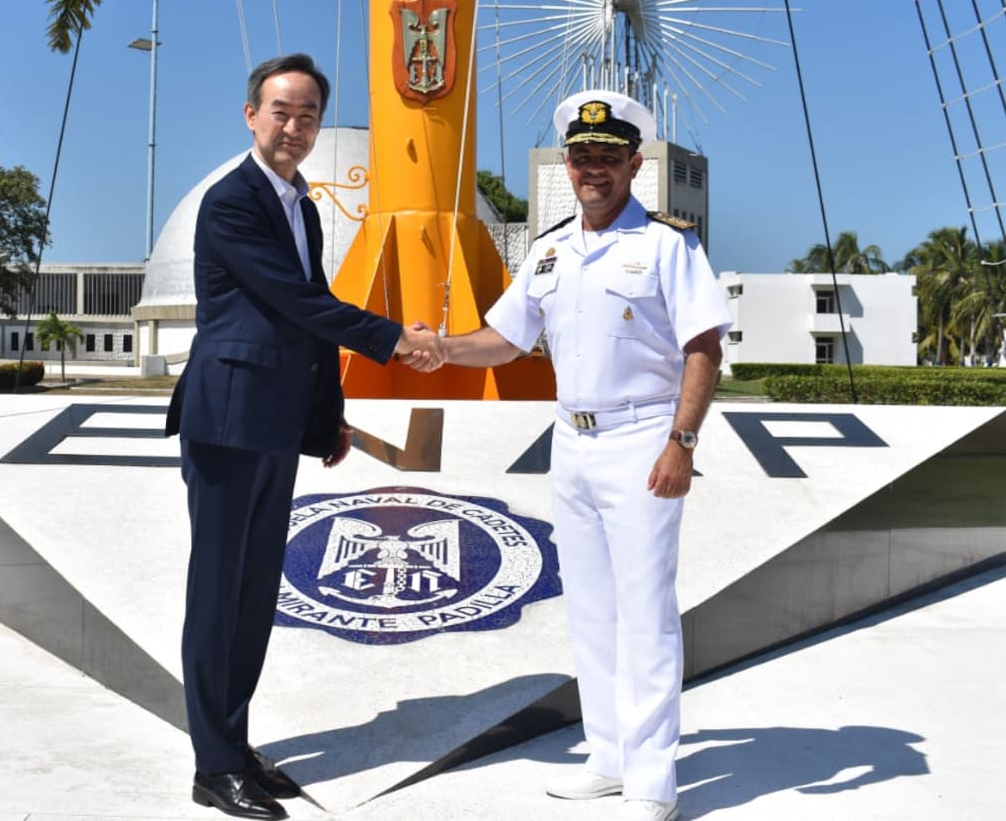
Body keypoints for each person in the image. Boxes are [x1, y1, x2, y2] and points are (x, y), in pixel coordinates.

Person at [436, 89, 732, 821]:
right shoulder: (550, 249)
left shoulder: (668, 244)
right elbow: (502, 340)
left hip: (643, 441)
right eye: (580, 156)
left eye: (607, 156)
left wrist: (681, 444)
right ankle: (607, 757)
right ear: (567, 164)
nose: (592, 168)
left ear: (634, 164)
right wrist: (439, 347)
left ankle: (654, 781)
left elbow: (704, 349)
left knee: (647, 615)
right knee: (592, 614)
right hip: (571, 443)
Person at [165, 53, 441, 821]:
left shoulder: (303, 204)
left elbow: (311, 319)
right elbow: (293, 302)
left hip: (277, 420)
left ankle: (235, 744)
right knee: (217, 593)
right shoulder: (232, 202)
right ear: (250, 114)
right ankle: (212, 766)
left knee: (254, 596)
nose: (295, 126)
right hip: (226, 419)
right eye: (281, 111)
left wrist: (328, 416)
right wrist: (394, 337)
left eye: (308, 114)